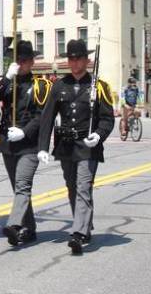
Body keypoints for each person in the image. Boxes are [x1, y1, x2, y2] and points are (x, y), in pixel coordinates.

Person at [38, 39, 115, 254]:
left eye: (78, 58)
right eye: (70, 58)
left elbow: (108, 119)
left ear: (87, 60)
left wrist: (98, 135)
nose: (73, 62)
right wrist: (43, 147)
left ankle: (78, 233)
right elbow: (47, 118)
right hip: (66, 146)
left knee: (83, 187)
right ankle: (84, 225)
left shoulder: (99, 86)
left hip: (87, 145)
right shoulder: (59, 85)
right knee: (72, 188)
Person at [0, 40, 51, 246]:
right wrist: (6, 78)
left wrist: (24, 132)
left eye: (24, 60)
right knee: (18, 188)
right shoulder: (8, 82)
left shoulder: (40, 85)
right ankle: (30, 228)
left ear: (32, 62)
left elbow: (41, 116)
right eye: (17, 60)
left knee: (22, 185)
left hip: (29, 144)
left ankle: (14, 225)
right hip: (9, 144)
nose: (21, 63)